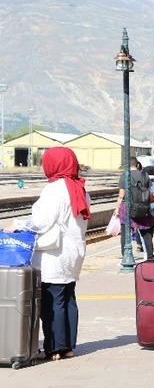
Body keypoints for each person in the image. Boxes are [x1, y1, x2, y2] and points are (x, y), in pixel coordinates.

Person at [25, 148, 90, 361]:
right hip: (74, 253)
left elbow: (42, 221)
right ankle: (68, 346)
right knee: (68, 297)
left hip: (54, 255)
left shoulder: (54, 189)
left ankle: (55, 348)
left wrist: (19, 225)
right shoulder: (81, 188)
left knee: (52, 301)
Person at [114, 157, 154, 259]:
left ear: (127, 165)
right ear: (137, 165)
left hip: (127, 207)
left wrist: (117, 209)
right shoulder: (144, 175)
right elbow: (149, 192)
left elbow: (121, 195)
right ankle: (150, 256)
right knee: (146, 232)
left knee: (125, 233)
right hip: (143, 207)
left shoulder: (125, 176)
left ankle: (126, 256)